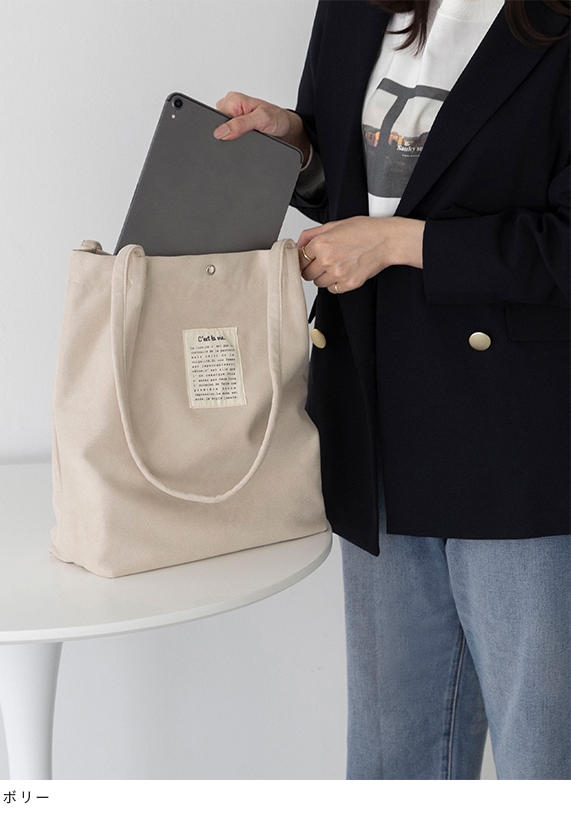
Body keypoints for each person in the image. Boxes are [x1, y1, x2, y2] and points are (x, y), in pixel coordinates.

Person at [215, 0, 570, 780]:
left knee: (544, 761)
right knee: (391, 761)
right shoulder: (357, 6)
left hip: (523, 442)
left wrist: (404, 245)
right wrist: (296, 146)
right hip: (375, 420)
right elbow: (362, 187)